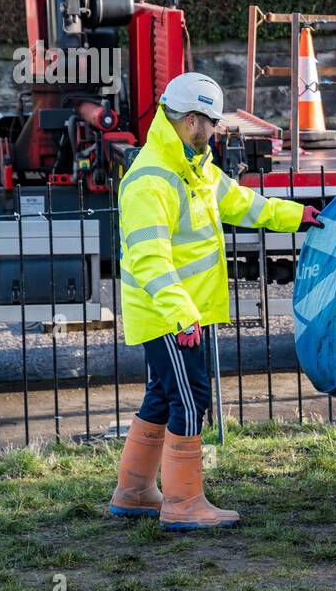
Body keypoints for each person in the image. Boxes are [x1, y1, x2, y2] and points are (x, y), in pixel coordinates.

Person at [109, 72, 323, 530]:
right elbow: (150, 259)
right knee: (191, 400)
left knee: (165, 397)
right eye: (212, 123)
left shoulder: (194, 166)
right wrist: (182, 315)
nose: (217, 131)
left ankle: (133, 493)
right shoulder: (153, 179)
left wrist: (297, 216)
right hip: (170, 314)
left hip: (177, 312)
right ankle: (184, 506)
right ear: (191, 121)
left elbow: (242, 203)